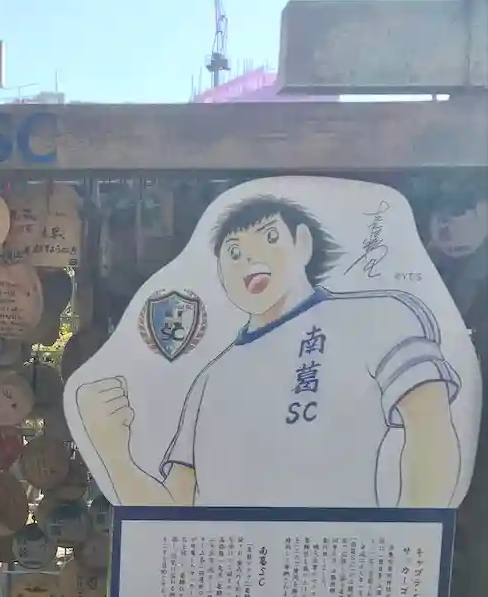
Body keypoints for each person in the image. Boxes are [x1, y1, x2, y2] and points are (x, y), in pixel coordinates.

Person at [76, 195, 462, 508]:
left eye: (270, 237)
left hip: (335, 564)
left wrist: (408, 547)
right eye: (234, 252)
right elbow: (172, 516)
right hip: (231, 572)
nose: (249, 259)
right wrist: (113, 451)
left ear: (303, 243)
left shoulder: (378, 316)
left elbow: (429, 426)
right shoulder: (210, 380)